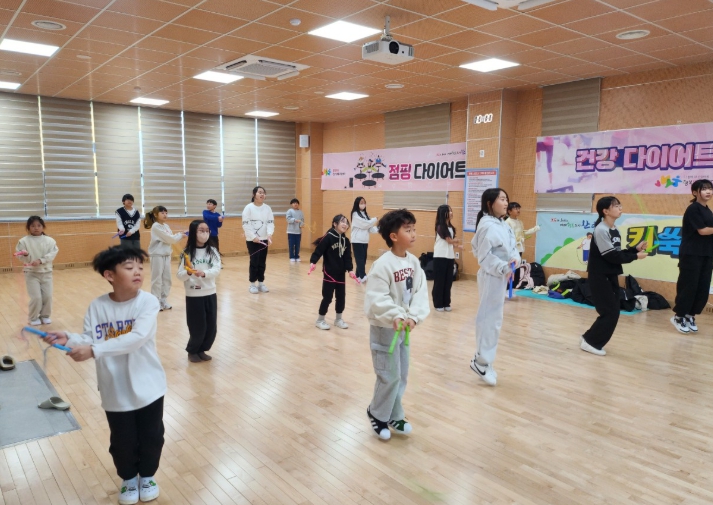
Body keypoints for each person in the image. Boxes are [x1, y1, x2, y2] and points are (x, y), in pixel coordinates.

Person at [44, 246, 165, 505]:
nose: (138, 272)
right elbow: (90, 338)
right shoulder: (97, 306)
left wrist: (94, 350)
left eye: (140, 267)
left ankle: (147, 476)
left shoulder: (148, 302)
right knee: (122, 440)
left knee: (152, 436)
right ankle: (129, 478)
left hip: (149, 385)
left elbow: (136, 338)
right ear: (109, 275)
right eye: (129, 267)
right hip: (114, 388)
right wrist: (70, 338)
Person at [364, 209, 430, 440]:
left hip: (403, 328)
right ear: (393, 236)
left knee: (400, 374)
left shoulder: (414, 262)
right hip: (385, 329)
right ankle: (377, 413)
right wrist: (395, 315)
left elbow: (420, 292)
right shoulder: (382, 265)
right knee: (388, 374)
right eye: (408, 230)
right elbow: (377, 297)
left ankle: (393, 414)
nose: (413, 234)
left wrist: (414, 316)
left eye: (414, 229)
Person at [581, 196, 647, 355]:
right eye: (616, 206)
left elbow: (616, 253)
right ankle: (590, 342)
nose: (620, 208)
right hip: (600, 275)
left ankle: (589, 338)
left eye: (620, 205)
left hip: (610, 274)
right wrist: (635, 256)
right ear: (605, 211)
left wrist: (634, 249)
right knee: (610, 312)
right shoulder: (601, 229)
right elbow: (611, 256)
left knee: (612, 310)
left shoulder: (614, 229)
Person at [469, 188, 519, 386]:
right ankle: (481, 362)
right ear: (490, 203)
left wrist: (514, 260)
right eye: (502, 199)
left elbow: (512, 246)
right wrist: (503, 267)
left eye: (506, 199)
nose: (506, 203)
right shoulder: (487, 226)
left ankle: (484, 359)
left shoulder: (502, 224)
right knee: (489, 320)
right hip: (491, 276)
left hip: (502, 276)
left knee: (494, 320)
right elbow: (483, 257)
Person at [672, 179, 713, 334]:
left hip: (706, 254)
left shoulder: (708, 210)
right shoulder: (693, 209)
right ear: (695, 192)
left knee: (702, 286)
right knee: (689, 286)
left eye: (710, 189)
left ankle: (690, 315)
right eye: (704, 189)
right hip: (691, 254)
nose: (708, 191)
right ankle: (679, 316)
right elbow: (702, 231)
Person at [177, 220, 221, 362]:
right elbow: (180, 275)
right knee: (197, 326)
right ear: (193, 232)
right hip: (194, 295)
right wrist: (188, 273)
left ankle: (202, 349)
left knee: (211, 327)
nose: (205, 233)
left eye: (207, 230)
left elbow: (217, 269)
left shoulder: (213, 251)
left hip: (210, 292)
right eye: (201, 230)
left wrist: (204, 273)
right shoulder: (187, 253)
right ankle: (192, 350)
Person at [310, 214, 355, 330]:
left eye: (346, 222)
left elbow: (348, 257)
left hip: (341, 273)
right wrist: (313, 262)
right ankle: (320, 320)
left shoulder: (346, 241)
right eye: (342, 222)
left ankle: (338, 319)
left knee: (341, 297)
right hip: (329, 272)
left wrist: (350, 269)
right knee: (327, 297)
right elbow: (319, 250)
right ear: (335, 224)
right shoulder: (328, 237)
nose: (345, 224)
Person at [15, 216, 58, 326]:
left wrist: (41, 260)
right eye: (33, 226)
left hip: (46, 273)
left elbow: (52, 254)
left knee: (47, 296)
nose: (36, 228)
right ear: (28, 227)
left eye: (39, 225)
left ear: (43, 227)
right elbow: (21, 257)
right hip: (31, 273)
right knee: (36, 297)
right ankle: (33, 318)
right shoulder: (23, 241)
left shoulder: (50, 241)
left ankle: (45, 316)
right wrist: (26, 255)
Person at [144, 206, 185, 311]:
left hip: (167, 255)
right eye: (162, 213)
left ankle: (163, 300)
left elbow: (171, 239)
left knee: (167, 279)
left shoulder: (166, 226)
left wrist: (180, 235)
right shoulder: (155, 226)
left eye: (166, 213)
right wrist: (180, 235)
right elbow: (170, 239)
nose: (165, 215)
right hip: (157, 255)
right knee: (157, 278)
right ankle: (155, 301)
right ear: (155, 214)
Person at [242, 186, 274, 294]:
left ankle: (261, 283)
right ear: (254, 194)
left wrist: (269, 234)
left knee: (262, 262)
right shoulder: (248, 208)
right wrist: (253, 237)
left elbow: (270, 222)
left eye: (263, 193)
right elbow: (246, 224)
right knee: (254, 261)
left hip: (264, 239)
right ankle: (252, 284)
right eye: (260, 192)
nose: (262, 194)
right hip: (252, 241)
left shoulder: (267, 208)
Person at [432, 204, 462, 312]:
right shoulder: (440, 227)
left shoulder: (451, 227)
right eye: (449, 211)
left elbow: (450, 243)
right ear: (443, 213)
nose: (451, 213)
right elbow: (449, 240)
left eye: (451, 210)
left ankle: (446, 302)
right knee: (439, 281)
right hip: (440, 256)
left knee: (448, 281)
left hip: (449, 256)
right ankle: (438, 303)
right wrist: (455, 241)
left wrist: (458, 246)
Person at [351, 196, 378, 283]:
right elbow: (365, 224)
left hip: (364, 240)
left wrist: (380, 228)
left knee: (363, 259)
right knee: (360, 259)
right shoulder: (355, 214)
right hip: (357, 240)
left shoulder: (366, 215)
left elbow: (370, 228)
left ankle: (358, 276)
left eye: (364, 203)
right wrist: (374, 219)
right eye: (361, 203)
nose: (363, 204)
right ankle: (363, 276)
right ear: (357, 204)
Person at [286, 198, 305, 263]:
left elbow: (302, 220)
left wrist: (301, 224)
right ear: (291, 204)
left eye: (296, 203)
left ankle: (297, 256)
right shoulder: (289, 211)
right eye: (294, 203)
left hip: (298, 232)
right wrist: (294, 220)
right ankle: (292, 257)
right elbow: (288, 219)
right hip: (291, 231)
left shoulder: (300, 212)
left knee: (297, 245)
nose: (295, 204)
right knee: (291, 245)